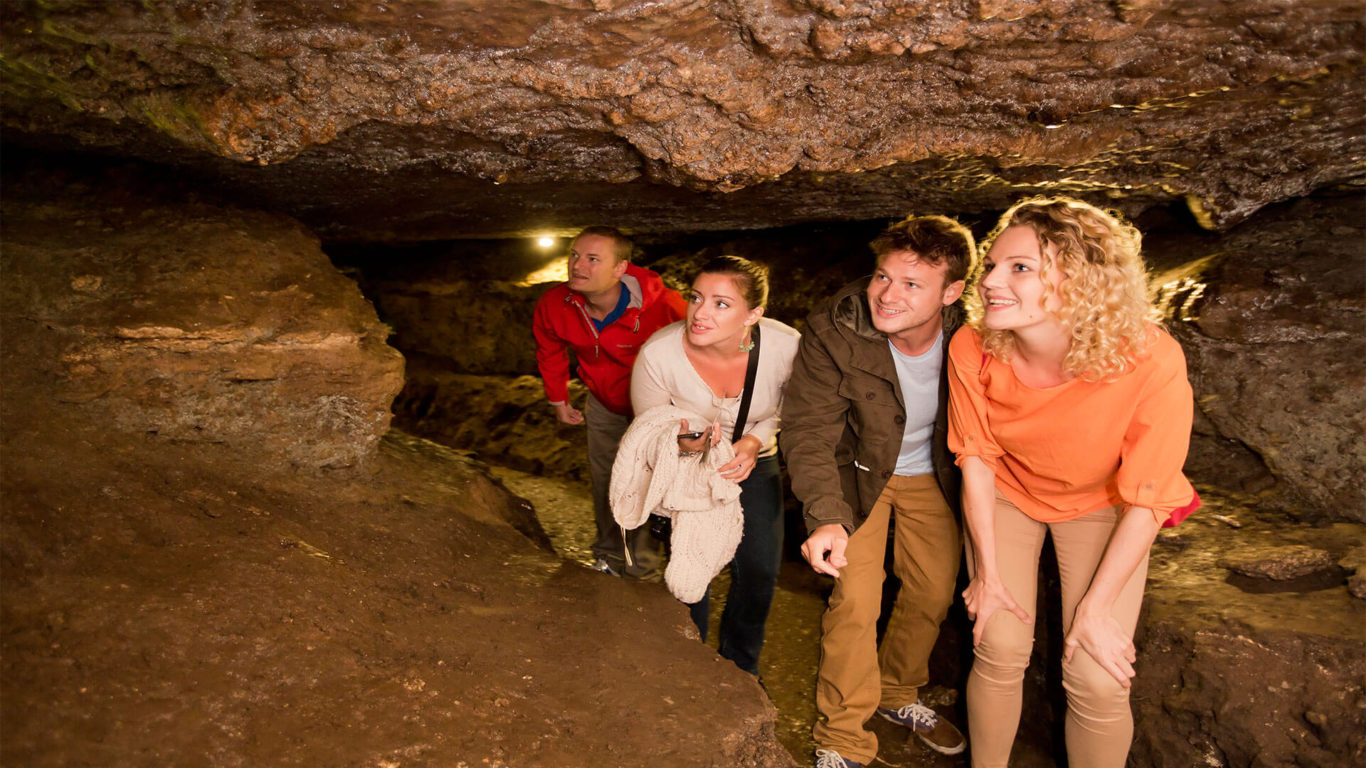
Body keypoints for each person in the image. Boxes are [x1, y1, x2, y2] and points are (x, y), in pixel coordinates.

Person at [946, 197, 1199, 768]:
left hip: (1104, 503)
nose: (991, 282)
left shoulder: (1150, 358)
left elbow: (1150, 497)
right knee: (999, 641)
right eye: (992, 265)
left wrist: (1094, 610)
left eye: (1020, 268)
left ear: (1082, 280)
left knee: (1097, 674)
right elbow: (978, 459)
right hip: (1009, 493)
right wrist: (986, 574)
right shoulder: (974, 345)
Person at [780, 215, 974, 768]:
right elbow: (809, 428)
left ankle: (896, 692)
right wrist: (825, 516)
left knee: (933, 591)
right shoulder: (834, 328)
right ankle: (840, 740)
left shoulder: (980, 335)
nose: (886, 296)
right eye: (882, 277)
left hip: (933, 475)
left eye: (912, 284)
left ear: (952, 292)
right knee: (854, 600)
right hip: (854, 476)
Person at [629, 255, 801, 676]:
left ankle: (741, 668)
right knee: (691, 566)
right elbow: (648, 431)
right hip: (687, 466)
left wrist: (755, 439)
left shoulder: (786, 346)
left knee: (760, 569)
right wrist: (684, 445)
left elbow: (791, 407)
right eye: (697, 297)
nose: (700, 313)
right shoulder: (659, 354)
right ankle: (689, 665)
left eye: (722, 304)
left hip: (755, 462)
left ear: (754, 314)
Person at [532, 226, 687, 577]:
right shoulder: (555, 305)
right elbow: (550, 350)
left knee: (651, 479)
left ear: (620, 268)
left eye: (592, 259)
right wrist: (558, 399)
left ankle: (649, 562)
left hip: (658, 408)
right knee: (607, 478)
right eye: (574, 255)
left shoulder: (665, 306)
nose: (577, 265)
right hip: (604, 402)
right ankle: (611, 554)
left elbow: (705, 348)